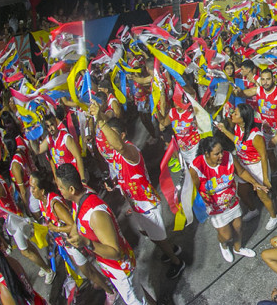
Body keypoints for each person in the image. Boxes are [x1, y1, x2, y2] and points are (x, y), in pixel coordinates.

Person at [92, 106, 186, 279]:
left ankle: (176, 261)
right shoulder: (116, 155)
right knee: (148, 232)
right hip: (137, 204)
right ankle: (169, 247)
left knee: (154, 234)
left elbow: (118, 146)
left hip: (146, 204)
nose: (108, 140)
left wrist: (101, 120)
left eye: (111, 135)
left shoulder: (129, 150)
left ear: (121, 135)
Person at [55, 163, 147, 305]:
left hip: (120, 269)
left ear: (71, 189)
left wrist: (86, 242)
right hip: (110, 266)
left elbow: (115, 252)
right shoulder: (78, 199)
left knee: (137, 301)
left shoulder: (95, 214)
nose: (59, 191)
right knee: (141, 295)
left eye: (61, 187)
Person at [29, 170, 113, 296]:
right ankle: (104, 282)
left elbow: (73, 225)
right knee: (88, 269)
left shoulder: (55, 204)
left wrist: (56, 229)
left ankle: (110, 292)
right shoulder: (42, 201)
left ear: (42, 191)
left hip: (75, 241)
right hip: (67, 243)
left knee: (87, 270)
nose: (31, 190)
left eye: (34, 187)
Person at [190, 135, 266, 262]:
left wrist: (254, 182)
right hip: (215, 209)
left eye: (221, 152)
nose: (221, 156)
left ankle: (238, 248)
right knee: (226, 235)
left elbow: (241, 172)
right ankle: (224, 245)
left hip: (232, 203)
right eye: (216, 154)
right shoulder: (196, 167)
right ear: (206, 154)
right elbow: (194, 188)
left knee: (239, 228)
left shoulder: (229, 157)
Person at [215, 103, 277, 230]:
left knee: (262, 195)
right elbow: (237, 141)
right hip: (244, 166)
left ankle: (273, 216)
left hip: (257, 167)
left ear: (243, 118)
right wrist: (225, 130)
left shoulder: (256, 136)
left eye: (236, 113)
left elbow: (263, 157)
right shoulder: (238, 129)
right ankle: (253, 210)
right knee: (242, 192)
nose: (232, 115)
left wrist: (265, 178)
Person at [0, 165, 54, 285]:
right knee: (28, 246)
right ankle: (44, 267)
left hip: (15, 218)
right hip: (11, 220)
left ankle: (48, 271)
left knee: (25, 251)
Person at [242, 68, 277, 190]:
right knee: (268, 152)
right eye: (263, 79)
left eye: (268, 79)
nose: (265, 82)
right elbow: (244, 93)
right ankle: (275, 171)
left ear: (273, 79)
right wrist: (235, 90)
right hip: (265, 130)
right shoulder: (259, 90)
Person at [38, 113, 85, 180]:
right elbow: (38, 150)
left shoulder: (65, 137)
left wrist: (82, 178)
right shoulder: (49, 139)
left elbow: (78, 157)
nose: (51, 128)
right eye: (48, 126)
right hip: (63, 177)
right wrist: (32, 136)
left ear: (56, 123)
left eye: (52, 124)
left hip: (73, 173)